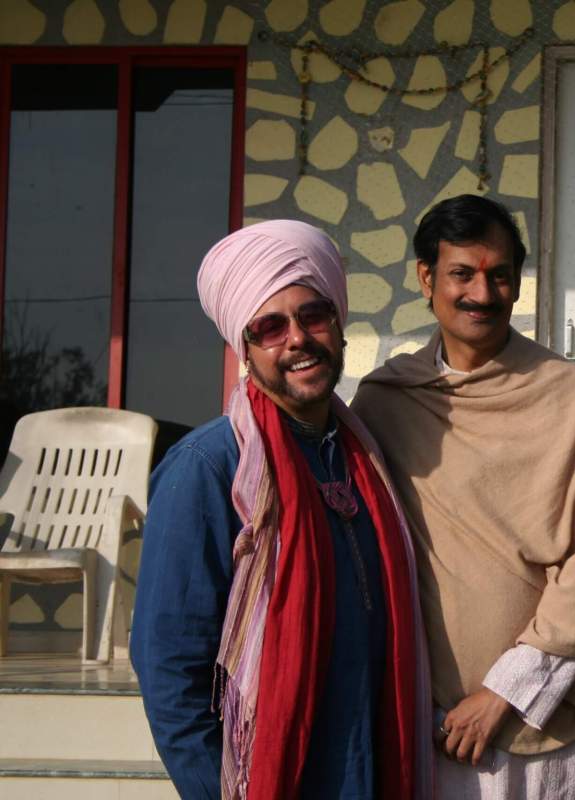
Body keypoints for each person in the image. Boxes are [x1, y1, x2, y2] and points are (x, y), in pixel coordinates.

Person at [130, 220, 432, 799]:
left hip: (369, 768)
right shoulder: (211, 468)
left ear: (340, 327)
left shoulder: (364, 459)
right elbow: (171, 671)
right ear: (244, 349)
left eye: (313, 315)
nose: (297, 338)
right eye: (270, 327)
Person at [351, 193, 575, 799]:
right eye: (462, 274)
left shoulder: (565, 393)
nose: (482, 293)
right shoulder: (386, 401)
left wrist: (506, 689)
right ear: (426, 277)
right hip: (426, 710)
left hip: (546, 704)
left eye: (499, 275)